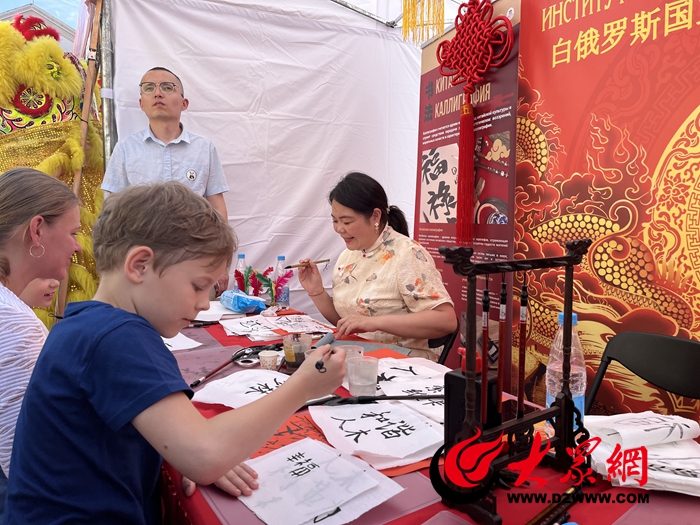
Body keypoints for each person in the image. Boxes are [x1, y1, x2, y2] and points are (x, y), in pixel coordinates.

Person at [6, 182, 345, 524]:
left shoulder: (87, 324)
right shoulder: (117, 336)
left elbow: (186, 447)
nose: (203, 304)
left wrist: (177, 447)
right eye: (198, 286)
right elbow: (205, 455)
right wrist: (304, 385)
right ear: (140, 265)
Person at [298, 172, 457, 361]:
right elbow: (347, 323)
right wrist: (316, 291)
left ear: (375, 216)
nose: (339, 229)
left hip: (400, 363)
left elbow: (446, 321)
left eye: (346, 221)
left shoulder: (407, 254)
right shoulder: (349, 255)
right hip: (360, 356)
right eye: (335, 220)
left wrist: (375, 322)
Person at [101, 66, 230, 293]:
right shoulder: (126, 149)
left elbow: (217, 208)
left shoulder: (204, 148)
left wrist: (221, 263)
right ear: (141, 103)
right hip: (141, 262)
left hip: (194, 258)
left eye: (167, 87)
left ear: (184, 103)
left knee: (197, 315)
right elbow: (111, 209)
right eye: (149, 88)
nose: (158, 93)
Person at [0, 168, 82, 521]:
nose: (78, 246)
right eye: (73, 233)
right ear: (37, 230)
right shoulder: (15, 323)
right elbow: (22, 459)